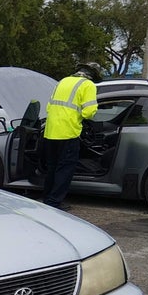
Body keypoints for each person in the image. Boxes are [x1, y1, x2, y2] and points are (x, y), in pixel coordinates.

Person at [42, 62, 103, 210]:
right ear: (93, 75)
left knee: (52, 167)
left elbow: (49, 107)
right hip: (68, 132)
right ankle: (54, 202)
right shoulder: (88, 85)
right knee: (65, 168)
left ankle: (47, 198)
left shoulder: (63, 81)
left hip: (50, 131)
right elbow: (89, 112)